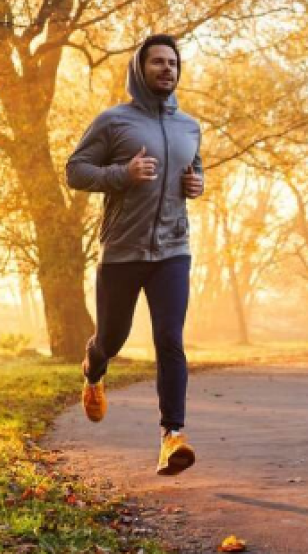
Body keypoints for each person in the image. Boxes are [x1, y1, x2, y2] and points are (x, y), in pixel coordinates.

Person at [66, 34, 203, 476]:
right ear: (140, 69)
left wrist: (196, 183)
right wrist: (122, 174)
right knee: (113, 337)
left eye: (173, 63)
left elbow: (193, 167)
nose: (167, 69)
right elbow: (76, 170)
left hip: (173, 250)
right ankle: (94, 368)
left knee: (170, 339)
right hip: (123, 250)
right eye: (158, 62)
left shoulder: (189, 126)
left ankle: (172, 436)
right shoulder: (114, 121)